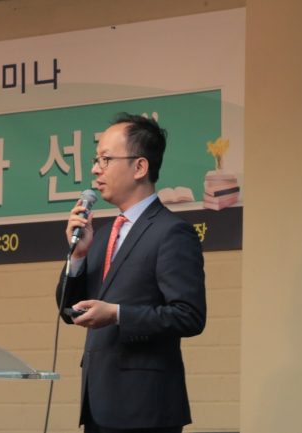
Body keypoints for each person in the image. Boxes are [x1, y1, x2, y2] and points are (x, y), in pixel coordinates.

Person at [56, 113, 206, 433]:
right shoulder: (102, 235)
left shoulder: (171, 232)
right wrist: (78, 256)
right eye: (96, 160)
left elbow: (189, 316)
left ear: (139, 167)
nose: (96, 169)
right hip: (98, 404)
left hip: (146, 408)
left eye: (106, 159)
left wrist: (117, 314)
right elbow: (69, 310)